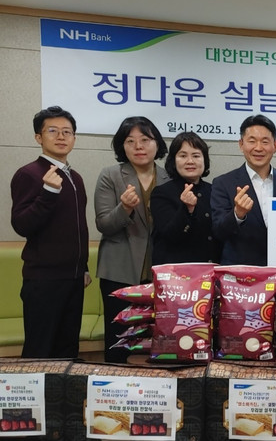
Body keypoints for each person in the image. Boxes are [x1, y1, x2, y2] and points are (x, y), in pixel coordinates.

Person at [11, 106, 90, 358]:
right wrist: (48, 193)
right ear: (39, 137)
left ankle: (64, 387)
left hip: (74, 279)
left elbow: (77, 227)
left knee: (68, 349)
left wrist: (84, 267)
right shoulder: (29, 174)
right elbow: (21, 225)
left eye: (67, 131)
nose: (61, 136)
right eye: (53, 131)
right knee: (40, 350)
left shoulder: (75, 177)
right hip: (43, 280)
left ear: (74, 138)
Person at [94, 116, 169, 363]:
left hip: (160, 272)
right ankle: (115, 383)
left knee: (157, 340)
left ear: (157, 143)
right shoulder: (110, 175)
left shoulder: (169, 177)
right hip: (119, 271)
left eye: (145, 139)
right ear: (122, 146)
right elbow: (104, 224)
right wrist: (124, 208)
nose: (138, 146)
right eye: (130, 141)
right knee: (119, 340)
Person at [211, 114, 276, 266]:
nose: (258, 148)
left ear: (275, 146)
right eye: (252, 141)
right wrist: (237, 214)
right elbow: (218, 232)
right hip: (240, 271)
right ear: (241, 144)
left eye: (265, 142)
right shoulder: (223, 183)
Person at [150, 131, 221, 265]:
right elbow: (169, 235)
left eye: (196, 156)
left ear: (205, 160)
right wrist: (187, 209)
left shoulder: (215, 190)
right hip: (177, 272)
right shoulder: (161, 193)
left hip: (212, 269)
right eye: (183, 156)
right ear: (173, 161)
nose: (190, 161)